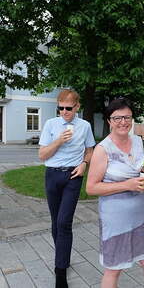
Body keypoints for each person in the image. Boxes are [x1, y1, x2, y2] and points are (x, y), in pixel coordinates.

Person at [86, 98, 144, 288]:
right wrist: (128, 185)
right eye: (117, 117)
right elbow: (91, 187)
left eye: (127, 117)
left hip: (140, 215)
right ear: (109, 121)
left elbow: (138, 169)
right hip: (115, 219)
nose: (123, 122)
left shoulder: (137, 141)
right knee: (114, 269)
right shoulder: (102, 149)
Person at [39, 89, 95, 288]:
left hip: (73, 176)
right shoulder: (50, 125)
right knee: (56, 222)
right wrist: (59, 141)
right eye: (60, 108)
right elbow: (42, 155)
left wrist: (84, 164)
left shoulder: (85, 126)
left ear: (77, 107)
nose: (64, 112)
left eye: (68, 108)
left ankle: (60, 271)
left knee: (64, 222)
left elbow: (90, 149)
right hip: (52, 175)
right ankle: (63, 256)